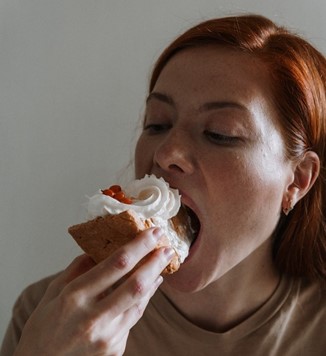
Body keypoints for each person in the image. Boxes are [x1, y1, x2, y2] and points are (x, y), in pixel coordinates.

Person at [1, 13, 326, 356]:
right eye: (157, 124)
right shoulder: (51, 316)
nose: (166, 152)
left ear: (298, 179)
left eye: (220, 133)